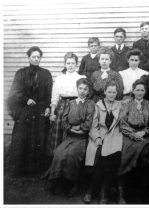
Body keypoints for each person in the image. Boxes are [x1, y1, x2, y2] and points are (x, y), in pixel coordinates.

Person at [7, 46, 53, 177]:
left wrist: (48, 106)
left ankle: (36, 170)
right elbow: (15, 91)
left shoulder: (46, 73)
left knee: (38, 139)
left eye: (38, 57)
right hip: (25, 111)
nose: (36, 59)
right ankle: (19, 169)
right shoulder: (21, 73)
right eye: (33, 57)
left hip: (40, 111)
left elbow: (49, 92)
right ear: (29, 58)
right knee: (22, 138)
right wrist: (26, 99)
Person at [45, 78, 95, 197]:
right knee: (59, 152)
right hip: (69, 136)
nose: (82, 91)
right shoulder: (70, 103)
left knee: (71, 154)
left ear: (89, 91)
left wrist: (79, 129)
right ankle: (58, 183)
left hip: (83, 138)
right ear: (77, 89)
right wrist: (72, 129)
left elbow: (88, 123)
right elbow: (63, 122)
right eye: (80, 88)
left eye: (85, 89)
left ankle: (71, 184)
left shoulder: (90, 104)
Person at [83, 80, 123, 204]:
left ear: (117, 93)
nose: (111, 94)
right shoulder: (98, 105)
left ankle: (103, 191)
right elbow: (93, 126)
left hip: (115, 136)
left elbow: (123, 124)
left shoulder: (120, 105)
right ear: (104, 92)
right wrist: (96, 138)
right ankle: (92, 189)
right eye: (109, 92)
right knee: (99, 155)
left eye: (114, 92)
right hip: (100, 136)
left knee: (112, 156)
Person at [118, 79, 149, 203]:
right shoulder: (127, 104)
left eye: (142, 90)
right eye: (137, 90)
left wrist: (144, 132)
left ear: (145, 91)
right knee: (124, 156)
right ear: (133, 91)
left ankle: (143, 192)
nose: (139, 92)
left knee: (145, 155)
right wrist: (133, 134)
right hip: (129, 136)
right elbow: (122, 124)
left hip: (145, 135)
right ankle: (123, 193)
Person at [48, 53, 86, 156]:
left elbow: (84, 94)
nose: (70, 65)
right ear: (65, 64)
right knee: (59, 130)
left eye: (73, 63)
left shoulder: (81, 77)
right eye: (68, 63)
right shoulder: (59, 78)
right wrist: (52, 113)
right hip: (62, 106)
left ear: (76, 64)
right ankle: (56, 157)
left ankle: (68, 156)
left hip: (76, 105)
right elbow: (55, 97)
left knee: (72, 130)